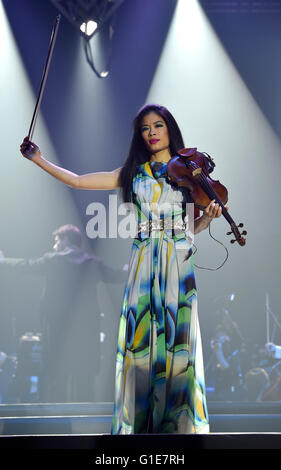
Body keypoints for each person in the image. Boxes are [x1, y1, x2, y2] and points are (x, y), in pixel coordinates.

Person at [20, 103, 226, 433]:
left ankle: (180, 425)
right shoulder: (133, 172)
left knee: (179, 340)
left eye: (158, 125)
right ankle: (140, 425)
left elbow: (190, 228)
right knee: (141, 340)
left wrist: (207, 217)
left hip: (178, 260)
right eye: (145, 128)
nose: (152, 133)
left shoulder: (190, 175)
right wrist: (39, 159)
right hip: (144, 260)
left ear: (169, 129)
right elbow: (77, 182)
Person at [0, 224, 127, 402]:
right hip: (86, 328)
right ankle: (85, 421)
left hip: (57, 326)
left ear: (66, 240)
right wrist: (129, 267)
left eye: (57, 240)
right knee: (84, 376)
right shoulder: (92, 263)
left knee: (57, 373)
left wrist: (3, 261)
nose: (54, 245)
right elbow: (117, 276)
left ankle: (57, 420)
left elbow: (26, 265)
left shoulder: (53, 260)